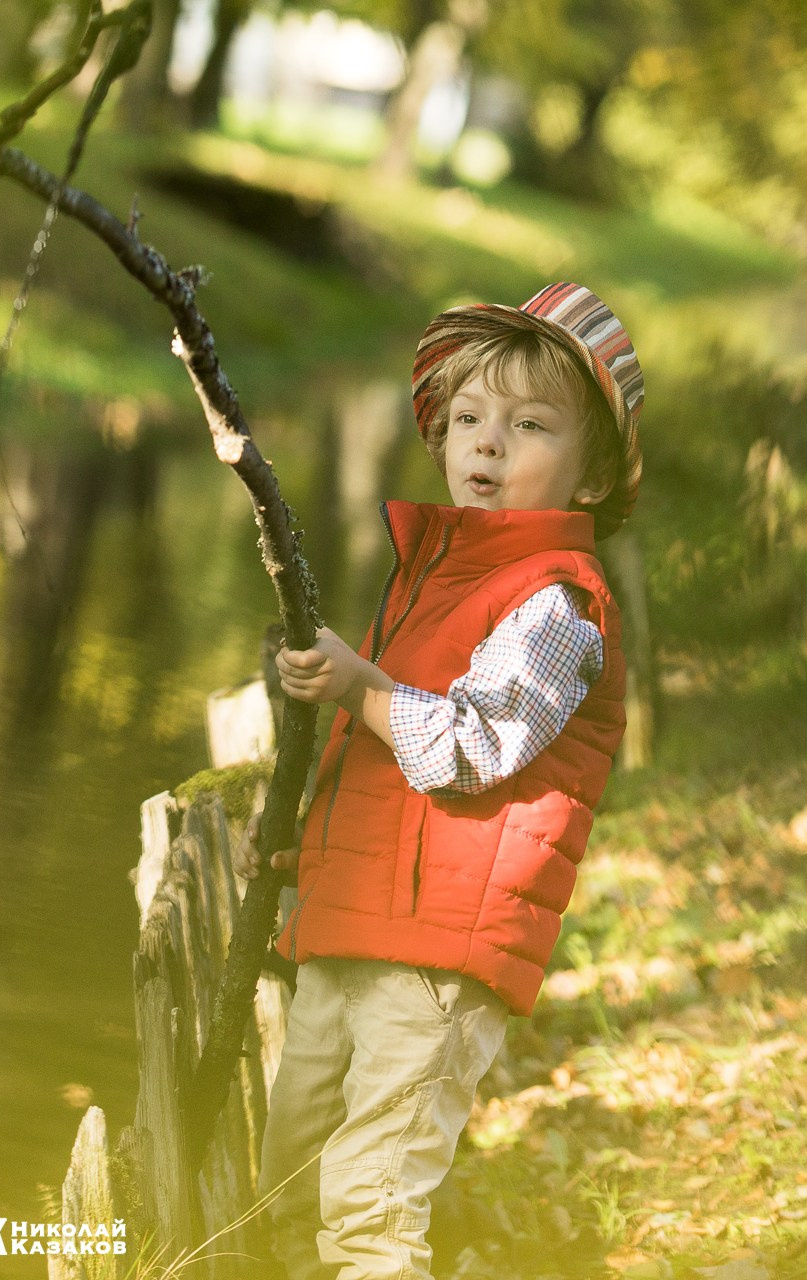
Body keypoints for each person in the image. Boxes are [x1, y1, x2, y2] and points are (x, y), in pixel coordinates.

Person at [233, 281, 644, 1280]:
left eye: (530, 424)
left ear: (590, 479)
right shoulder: (437, 574)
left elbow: (470, 747)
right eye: (469, 417)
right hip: (358, 918)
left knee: (371, 1202)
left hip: (436, 954)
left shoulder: (555, 605)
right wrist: (307, 846)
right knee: (290, 1177)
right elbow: (381, 771)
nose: (488, 444)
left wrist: (359, 682)